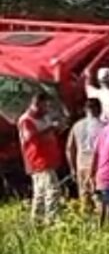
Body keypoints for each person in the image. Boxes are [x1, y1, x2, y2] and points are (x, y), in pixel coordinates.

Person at [17, 91, 63, 224]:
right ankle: (52, 220)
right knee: (53, 190)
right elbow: (31, 138)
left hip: (48, 159)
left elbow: (50, 133)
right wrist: (50, 128)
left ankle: (37, 220)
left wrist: (57, 128)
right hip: (38, 161)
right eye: (45, 106)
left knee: (40, 193)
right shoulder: (26, 120)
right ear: (36, 104)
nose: (47, 109)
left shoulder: (45, 117)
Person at [66, 98, 103, 213]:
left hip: (81, 166)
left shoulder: (76, 126)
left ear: (85, 110)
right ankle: (102, 222)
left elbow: (69, 149)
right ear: (99, 109)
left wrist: (72, 168)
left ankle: (86, 221)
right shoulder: (103, 126)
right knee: (99, 198)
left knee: (85, 198)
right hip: (97, 166)